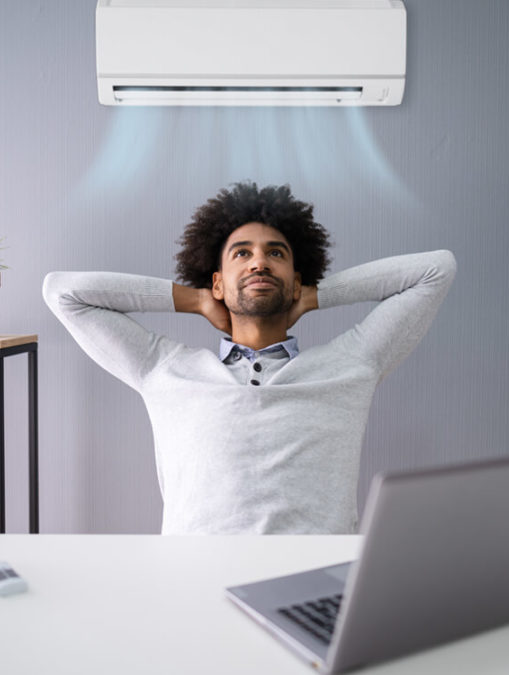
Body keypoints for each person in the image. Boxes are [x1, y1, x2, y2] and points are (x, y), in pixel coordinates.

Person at [43, 181, 456, 534]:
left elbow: (436, 269)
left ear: (296, 280)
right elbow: (63, 292)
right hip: (194, 591)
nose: (259, 261)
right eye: (242, 253)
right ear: (218, 282)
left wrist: (315, 295)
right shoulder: (165, 369)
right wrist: (196, 299)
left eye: (276, 253)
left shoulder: (351, 365)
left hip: (315, 586)